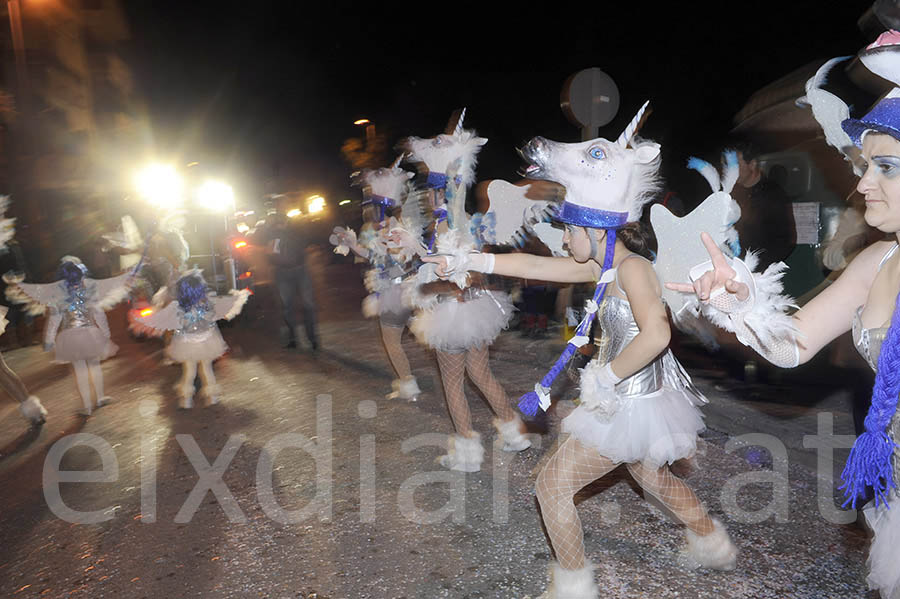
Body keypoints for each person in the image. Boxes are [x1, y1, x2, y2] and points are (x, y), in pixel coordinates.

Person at [426, 115, 737, 598]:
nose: (563, 239)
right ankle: (711, 541)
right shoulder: (601, 264)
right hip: (631, 399)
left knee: (550, 486)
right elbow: (532, 265)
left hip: (625, 402)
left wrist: (605, 378)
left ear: (595, 230)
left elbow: (657, 334)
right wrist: (470, 261)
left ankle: (574, 587)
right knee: (650, 476)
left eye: (567, 230)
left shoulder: (633, 269)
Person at [668, 34, 900, 599]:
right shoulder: (878, 260)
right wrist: (741, 299)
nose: (862, 182)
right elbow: (792, 343)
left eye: (886, 167)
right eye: (865, 164)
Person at [330, 160, 422, 400]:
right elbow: (375, 255)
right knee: (424, 333)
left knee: (392, 341)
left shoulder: (391, 227)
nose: (369, 208)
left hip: (397, 292)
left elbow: (399, 260)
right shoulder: (395, 225)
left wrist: (387, 277)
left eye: (372, 202)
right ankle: (416, 380)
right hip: (412, 289)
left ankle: (408, 385)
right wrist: (352, 246)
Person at [6, 257, 131, 416]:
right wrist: (106, 334)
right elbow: (99, 315)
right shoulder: (88, 292)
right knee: (94, 366)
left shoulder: (59, 298)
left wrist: (49, 340)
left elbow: (54, 320)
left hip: (70, 337)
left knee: (80, 370)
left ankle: (87, 406)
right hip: (90, 334)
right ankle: (100, 398)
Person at [130, 271, 249, 409]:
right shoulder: (208, 303)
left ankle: (185, 400)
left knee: (189, 372)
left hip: (186, 344)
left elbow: (163, 320)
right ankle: (212, 398)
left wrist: (144, 320)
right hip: (207, 342)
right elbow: (225, 310)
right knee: (206, 369)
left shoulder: (178, 307)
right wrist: (239, 297)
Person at [727, 141, 797, 270]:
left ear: (752, 164)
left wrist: (755, 270)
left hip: (758, 273)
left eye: (735, 164)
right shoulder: (731, 194)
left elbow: (785, 242)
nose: (730, 170)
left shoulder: (774, 195)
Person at [263, 206, 320, 352]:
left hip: (291, 271)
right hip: (292, 271)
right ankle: (307, 339)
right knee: (299, 306)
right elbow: (270, 253)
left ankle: (303, 339)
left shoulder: (292, 231)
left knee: (294, 306)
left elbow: (270, 254)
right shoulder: (276, 234)